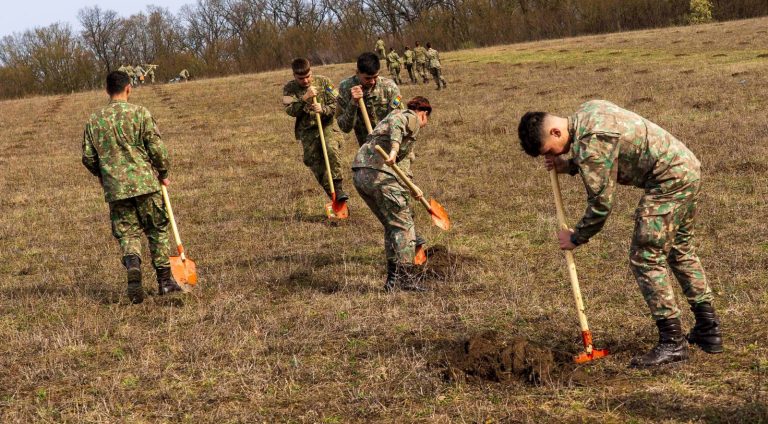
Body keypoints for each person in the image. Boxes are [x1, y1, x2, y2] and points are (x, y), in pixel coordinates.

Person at [517, 100, 722, 368]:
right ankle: (708, 330)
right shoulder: (588, 112)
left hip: (668, 182)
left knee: (646, 257)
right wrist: (567, 165)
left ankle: (673, 343)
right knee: (680, 251)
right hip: (686, 170)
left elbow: (601, 204)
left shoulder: (591, 142)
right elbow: (603, 154)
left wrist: (576, 236)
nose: (552, 153)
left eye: (549, 149)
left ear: (555, 132)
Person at [82, 71, 182, 304]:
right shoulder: (140, 113)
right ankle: (165, 282)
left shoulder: (94, 120)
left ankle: (133, 266)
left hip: (116, 189)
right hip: (146, 184)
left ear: (107, 90)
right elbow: (157, 148)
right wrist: (164, 173)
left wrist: (104, 174)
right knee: (156, 230)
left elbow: (88, 157)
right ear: (129, 88)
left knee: (128, 233)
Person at [352, 97, 432, 291]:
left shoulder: (390, 119)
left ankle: (393, 280)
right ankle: (406, 279)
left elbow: (402, 168)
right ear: (424, 113)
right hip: (380, 176)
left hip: (361, 175)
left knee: (392, 225)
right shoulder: (409, 117)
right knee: (404, 227)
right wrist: (395, 149)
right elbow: (398, 126)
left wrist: (411, 187)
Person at [282, 58, 348, 206]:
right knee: (312, 160)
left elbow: (338, 104)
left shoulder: (324, 82)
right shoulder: (289, 89)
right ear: (294, 76)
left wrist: (323, 109)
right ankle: (334, 194)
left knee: (330, 148)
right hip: (307, 130)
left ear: (311, 71)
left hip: (327, 125)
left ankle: (338, 187)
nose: (306, 81)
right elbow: (290, 111)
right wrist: (305, 99)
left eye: (308, 76)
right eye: (301, 78)